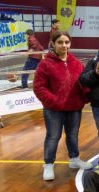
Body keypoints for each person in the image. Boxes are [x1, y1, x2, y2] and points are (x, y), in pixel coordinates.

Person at [33, 31, 91, 180]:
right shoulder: (45, 64)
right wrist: (53, 101)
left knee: (72, 135)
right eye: (60, 42)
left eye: (66, 42)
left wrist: (87, 96)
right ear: (53, 43)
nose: (64, 45)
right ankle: (48, 165)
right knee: (53, 136)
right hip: (54, 109)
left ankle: (74, 159)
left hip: (74, 108)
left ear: (70, 43)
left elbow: (83, 84)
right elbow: (39, 87)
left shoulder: (76, 63)